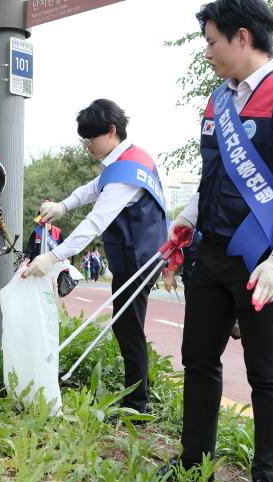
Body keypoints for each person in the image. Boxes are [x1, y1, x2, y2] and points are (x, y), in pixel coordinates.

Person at [162, 0, 273, 482]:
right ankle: (193, 461)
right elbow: (213, 176)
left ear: (241, 37)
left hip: (262, 262)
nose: (207, 52)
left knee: (266, 373)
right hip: (210, 256)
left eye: (212, 42)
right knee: (198, 362)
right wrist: (186, 218)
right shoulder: (218, 101)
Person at [23, 99, 168, 416]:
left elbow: (94, 223)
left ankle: (138, 403)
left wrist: (53, 257)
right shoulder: (128, 159)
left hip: (138, 260)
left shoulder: (126, 174)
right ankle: (136, 395)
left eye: (90, 138)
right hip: (137, 256)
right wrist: (62, 206)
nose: (87, 145)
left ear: (111, 131)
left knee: (128, 328)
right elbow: (92, 188)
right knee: (125, 326)